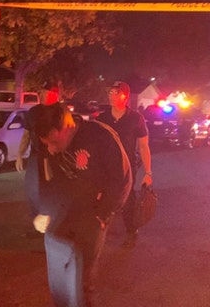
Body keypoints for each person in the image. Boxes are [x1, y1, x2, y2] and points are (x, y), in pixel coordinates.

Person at [32, 103, 132, 307]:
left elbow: (121, 179)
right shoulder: (48, 139)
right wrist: (44, 209)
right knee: (60, 266)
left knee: (83, 272)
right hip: (65, 209)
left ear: (67, 128)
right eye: (46, 144)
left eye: (53, 142)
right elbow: (44, 176)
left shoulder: (100, 137)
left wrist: (103, 214)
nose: (50, 149)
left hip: (94, 210)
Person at [96, 81, 152, 248]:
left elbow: (143, 146)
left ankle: (131, 231)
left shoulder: (136, 118)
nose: (111, 96)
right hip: (106, 168)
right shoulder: (102, 118)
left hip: (127, 168)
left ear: (125, 96)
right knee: (103, 197)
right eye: (110, 92)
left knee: (128, 200)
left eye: (116, 93)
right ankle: (100, 229)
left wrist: (148, 173)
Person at [15, 87, 60, 216]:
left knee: (53, 190)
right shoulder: (33, 112)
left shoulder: (61, 111)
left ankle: (53, 221)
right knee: (32, 190)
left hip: (55, 157)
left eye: (46, 91)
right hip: (36, 156)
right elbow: (26, 135)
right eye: (41, 91)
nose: (41, 94)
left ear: (54, 94)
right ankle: (37, 220)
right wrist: (19, 155)